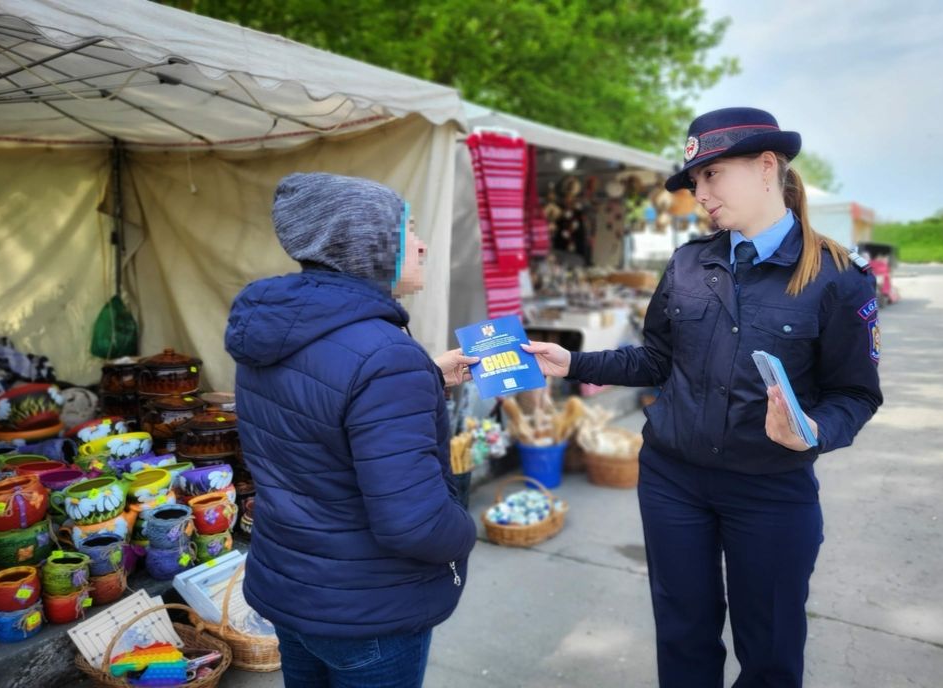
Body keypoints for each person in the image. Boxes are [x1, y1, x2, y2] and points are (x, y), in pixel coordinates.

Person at [523, 107, 883, 687]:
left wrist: (813, 430)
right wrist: (575, 362)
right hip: (672, 481)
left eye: (712, 175)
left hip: (770, 489)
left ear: (767, 166)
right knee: (683, 632)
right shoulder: (689, 262)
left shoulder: (838, 276)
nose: (700, 194)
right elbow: (657, 359)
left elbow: (855, 394)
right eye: (695, 181)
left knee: (770, 649)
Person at [225, 172, 478, 688]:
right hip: (368, 610)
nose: (424, 243)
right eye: (407, 229)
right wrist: (466, 532)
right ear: (366, 246)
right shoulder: (386, 355)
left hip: (292, 591)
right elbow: (415, 523)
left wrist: (423, 378)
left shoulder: (275, 330)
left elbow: (317, 424)